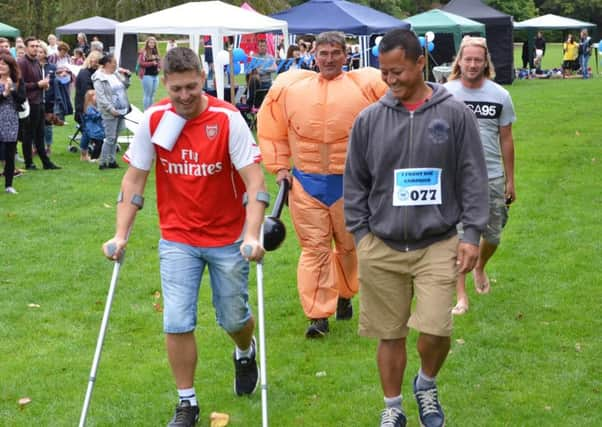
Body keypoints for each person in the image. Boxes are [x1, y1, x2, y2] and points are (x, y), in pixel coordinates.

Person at [102, 46, 267, 427]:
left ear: (203, 80)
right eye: (176, 89)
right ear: (165, 84)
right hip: (177, 238)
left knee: (232, 318)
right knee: (176, 320)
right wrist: (120, 234)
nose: (184, 96)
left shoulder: (228, 119)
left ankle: (245, 350)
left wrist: (252, 233)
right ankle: (187, 403)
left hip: (228, 238)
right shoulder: (156, 118)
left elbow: (254, 181)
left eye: (191, 87)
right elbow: (135, 179)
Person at [343, 29, 488, 427]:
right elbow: (354, 182)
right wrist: (361, 235)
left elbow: (473, 176)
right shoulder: (369, 119)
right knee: (389, 334)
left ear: (420, 62)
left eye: (398, 72)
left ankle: (426, 384)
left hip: (438, 242)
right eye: (384, 73)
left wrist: (472, 233)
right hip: (381, 244)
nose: (390, 81)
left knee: (437, 328)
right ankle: (392, 409)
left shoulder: (454, 113)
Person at [257, 31, 388, 338]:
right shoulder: (289, 88)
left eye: (335, 53)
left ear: (346, 55)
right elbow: (272, 129)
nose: (329, 59)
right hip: (306, 182)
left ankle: (345, 294)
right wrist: (279, 168)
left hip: (352, 184)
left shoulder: (368, 85)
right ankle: (318, 315)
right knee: (314, 250)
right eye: (323, 53)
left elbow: (395, 121)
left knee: (348, 247)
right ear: (314, 55)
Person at [445, 36, 516, 315]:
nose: (472, 64)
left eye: (478, 60)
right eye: (468, 59)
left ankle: (480, 266)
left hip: (492, 176)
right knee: (460, 236)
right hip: (456, 177)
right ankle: (461, 297)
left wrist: (510, 179)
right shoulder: (445, 93)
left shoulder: (500, 95)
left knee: (494, 235)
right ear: (459, 61)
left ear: (485, 62)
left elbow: (507, 139)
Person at [17, 37, 60, 170]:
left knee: (40, 134)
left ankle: (46, 162)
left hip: (39, 101)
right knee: (28, 135)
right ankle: (29, 163)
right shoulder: (22, 62)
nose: (35, 48)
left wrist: (44, 85)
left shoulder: (36, 62)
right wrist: (38, 84)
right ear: (25, 48)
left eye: (37, 46)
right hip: (29, 103)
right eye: (32, 46)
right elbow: (20, 84)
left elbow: (37, 82)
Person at [92, 53, 131, 169]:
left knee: (115, 137)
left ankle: (112, 161)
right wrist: (111, 109)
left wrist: (127, 77)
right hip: (110, 112)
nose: (116, 64)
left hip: (122, 110)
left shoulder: (116, 74)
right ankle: (103, 162)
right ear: (108, 63)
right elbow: (101, 97)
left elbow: (125, 86)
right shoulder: (99, 77)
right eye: (114, 62)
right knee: (110, 138)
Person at [0, 52, 26, 194]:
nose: (1, 66)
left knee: (10, 153)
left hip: (10, 119)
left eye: (4, 64)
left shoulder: (17, 81)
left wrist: (12, 90)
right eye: (0, 63)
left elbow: (22, 99)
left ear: (10, 67)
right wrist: (3, 94)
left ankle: (9, 185)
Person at [74, 50, 102, 161]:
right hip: (85, 107)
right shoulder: (85, 73)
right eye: (95, 62)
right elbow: (88, 92)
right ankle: (88, 155)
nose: (96, 64)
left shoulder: (93, 73)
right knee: (89, 130)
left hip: (89, 106)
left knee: (87, 130)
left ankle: (85, 154)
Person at [138, 36, 161, 110]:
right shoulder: (143, 51)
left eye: (153, 43)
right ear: (147, 43)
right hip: (147, 75)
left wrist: (159, 67)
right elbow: (141, 63)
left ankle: (151, 110)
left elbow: (158, 61)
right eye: (150, 42)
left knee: (152, 94)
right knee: (147, 95)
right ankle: (146, 112)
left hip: (155, 75)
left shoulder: (156, 51)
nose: (152, 44)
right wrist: (151, 63)